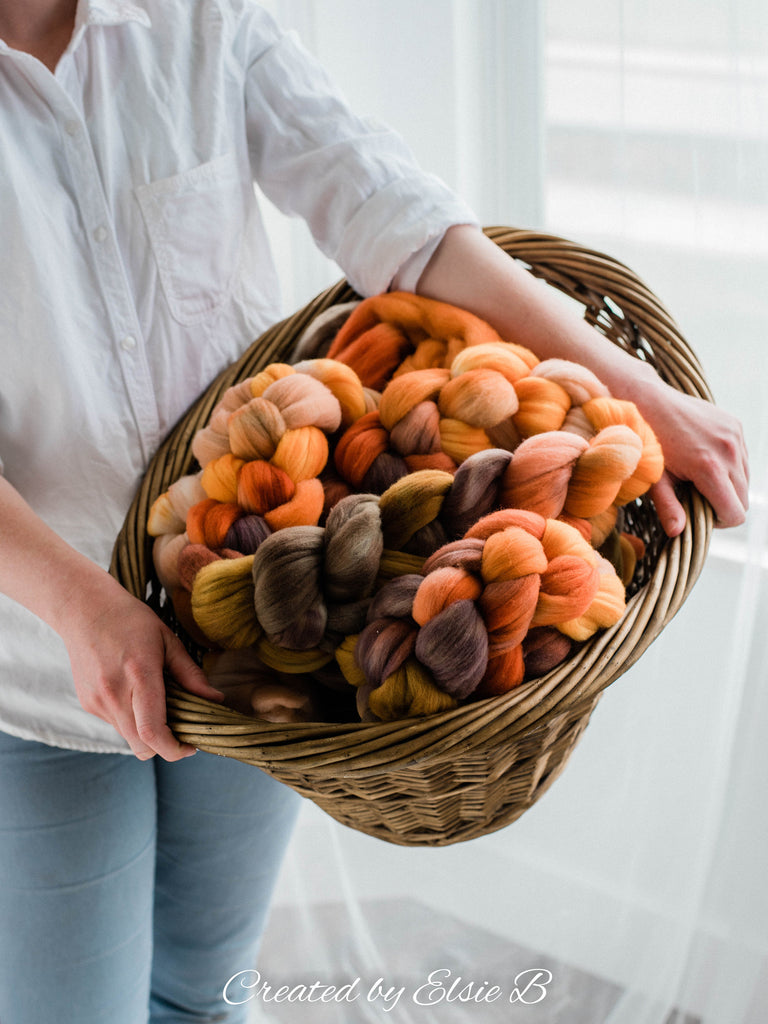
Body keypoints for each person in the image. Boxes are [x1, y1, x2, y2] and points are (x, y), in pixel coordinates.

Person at [0, 1, 749, 1022]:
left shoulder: (198, 19)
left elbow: (389, 210)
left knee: (201, 992)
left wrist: (636, 394)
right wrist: (85, 604)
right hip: (33, 671)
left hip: (270, 630)